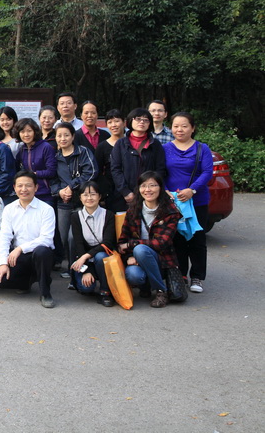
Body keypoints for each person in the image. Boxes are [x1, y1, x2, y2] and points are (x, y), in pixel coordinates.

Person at [0, 170, 57, 308]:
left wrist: (21, 248)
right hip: (19, 255)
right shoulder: (9, 209)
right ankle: (27, 281)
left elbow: (46, 239)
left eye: (28, 185)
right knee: (2, 281)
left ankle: (45, 292)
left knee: (42, 252)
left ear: (36, 187)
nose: (24, 189)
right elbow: (4, 237)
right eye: (20, 186)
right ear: (14, 188)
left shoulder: (46, 209)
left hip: (39, 254)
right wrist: (3, 263)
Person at [164, 112, 213, 293]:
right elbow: (161, 172)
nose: (180, 129)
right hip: (173, 202)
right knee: (177, 238)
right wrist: (166, 191)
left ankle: (197, 277)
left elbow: (207, 172)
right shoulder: (165, 148)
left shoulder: (202, 148)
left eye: (184, 126)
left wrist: (191, 190)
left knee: (197, 239)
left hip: (197, 200)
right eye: (176, 126)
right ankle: (181, 273)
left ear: (192, 128)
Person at [118, 171, 180, 308]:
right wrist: (129, 256)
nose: (148, 190)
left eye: (152, 185)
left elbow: (162, 243)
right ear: (139, 189)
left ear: (160, 188)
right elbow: (122, 241)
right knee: (133, 274)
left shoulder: (170, 212)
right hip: (138, 258)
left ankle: (160, 291)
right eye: (143, 186)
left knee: (140, 249)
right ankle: (145, 286)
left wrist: (133, 245)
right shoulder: (133, 210)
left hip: (162, 260)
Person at [51, 122, 98, 273]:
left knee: (74, 238)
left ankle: (76, 271)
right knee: (62, 237)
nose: (62, 138)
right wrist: (60, 192)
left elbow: (90, 172)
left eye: (66, 135)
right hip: (63, 203)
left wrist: (72, 187)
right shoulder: (55, 156)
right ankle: (67, 268)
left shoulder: (82, 152)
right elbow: (52, 180)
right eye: (59, 135)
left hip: (82, 201)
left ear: (73, 136)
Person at [69, 180, 117, 306]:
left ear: (99, 196)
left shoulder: (109, 215)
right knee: (86, 289)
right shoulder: (76, 216)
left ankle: (105, 292)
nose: (89, 198)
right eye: (85, 194)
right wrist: (86, 271)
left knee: (101, 256)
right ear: (80, 197)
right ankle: (79, 278)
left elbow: (107, 243)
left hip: (102, 256)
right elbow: (79, 245)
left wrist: (85, 256)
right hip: (84, 261)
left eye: (93, 194)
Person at [110, 108, 167, 208]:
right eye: (138, 119)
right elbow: (115, 169)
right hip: (124, 197)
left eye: (146, 120)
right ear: (130, 121)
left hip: (149, 195)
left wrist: (151, 190)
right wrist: (125, 191)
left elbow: (160, 169)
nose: (142, 122)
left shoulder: (155, 144)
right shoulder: (121, 143)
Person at [14, 118, 56, 206]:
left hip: (45, 194)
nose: (26, 134)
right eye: (22, 132)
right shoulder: (22, 149)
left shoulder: (45, 147)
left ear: (35, 132)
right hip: (27, 195)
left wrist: (34, 174)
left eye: (29, 131)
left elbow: (52, 171)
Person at [96, 109, 126, 211]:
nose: (114, 125)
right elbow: (98, 172)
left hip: (131, 191)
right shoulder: (102, 147)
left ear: (124, 122)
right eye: (110, 122)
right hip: (111, 193)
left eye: (117, 121)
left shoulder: (131, 144)